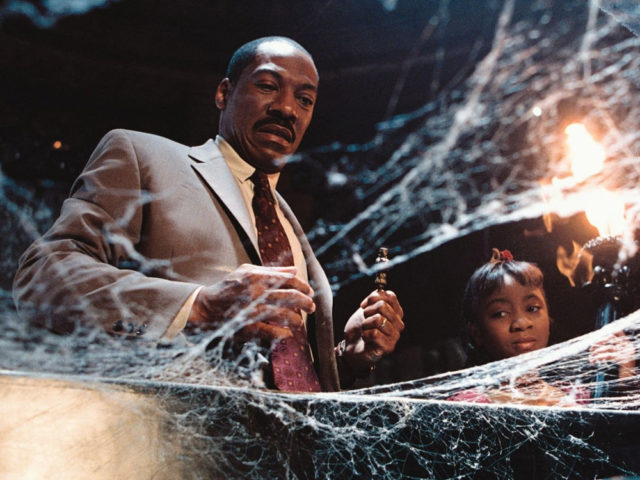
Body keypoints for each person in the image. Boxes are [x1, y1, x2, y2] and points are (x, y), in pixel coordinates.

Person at [12, 36, 404, 392]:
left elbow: (283, 372)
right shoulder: (140, 155)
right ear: (223, 93)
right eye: (268, 85)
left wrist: (348, 358)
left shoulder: (289, 224)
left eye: (304, 100)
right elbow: (40, 279)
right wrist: (197, 305)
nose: (287, 108)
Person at [449, 248, 635, 406]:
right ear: (476, 332)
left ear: (549, 319)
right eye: (501, 313)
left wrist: (626, 376)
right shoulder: (466, 406)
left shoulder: (578, 396)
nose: (521, 323)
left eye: (532, 308)